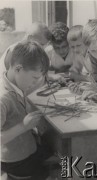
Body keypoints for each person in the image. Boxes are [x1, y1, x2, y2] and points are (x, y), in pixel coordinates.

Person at [0, 41, 58, 180]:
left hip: (27, 149)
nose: (35, 83)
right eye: (34, 78)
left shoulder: (15, 83)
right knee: (54, 169)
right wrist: (24, 126)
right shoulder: (3, 98)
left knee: (56, 150)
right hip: (17, 161)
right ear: (18, 69)